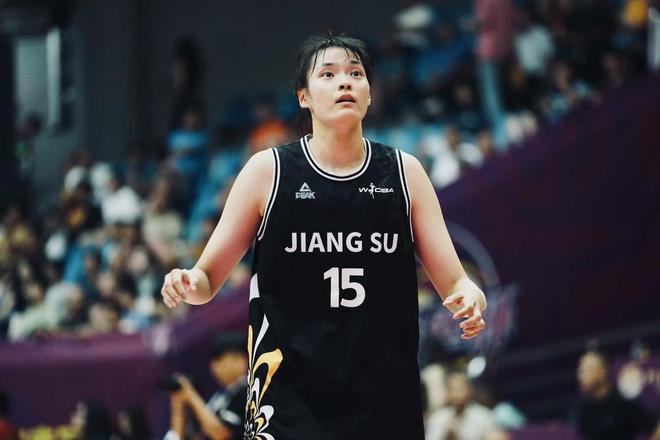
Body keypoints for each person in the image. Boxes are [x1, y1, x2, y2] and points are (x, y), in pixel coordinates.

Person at [160, 33, 487, 439]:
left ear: (370, 93)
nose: (345, 81)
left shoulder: (405, 174)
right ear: (304, 97)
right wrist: (188, 281)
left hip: (383, 398)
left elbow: (455, 281)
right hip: (288, 399)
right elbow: (207, 280)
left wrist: (470, 296)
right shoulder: (268, 172)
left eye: (356, 74)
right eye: (328, 74)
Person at [165, 332, 248, 440]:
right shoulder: (218, 396)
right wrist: (178, 406)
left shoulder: (247, 393)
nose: (214, 366)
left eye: (219, 360)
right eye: (212, 361)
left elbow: (221, 435)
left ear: (241, 359)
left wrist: (190, 394)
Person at [573, 350, 660, 440]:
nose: (580, 376)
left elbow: (656, 429)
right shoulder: (583, 408)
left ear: (602, 372)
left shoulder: (623, 402)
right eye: (580, 371)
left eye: (586, 371)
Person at [425, 371, 504, 440]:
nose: (457, 395)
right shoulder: (437, 419)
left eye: (461, 389)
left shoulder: (484, 417)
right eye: (453, 390)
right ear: (447, 392)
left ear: (470, 391)